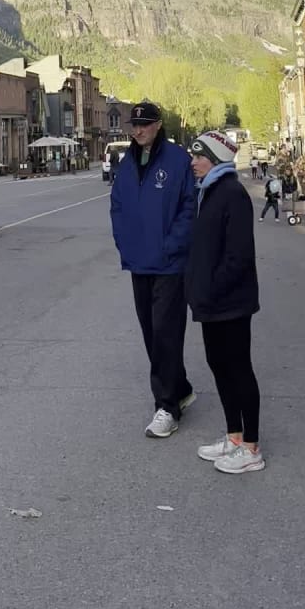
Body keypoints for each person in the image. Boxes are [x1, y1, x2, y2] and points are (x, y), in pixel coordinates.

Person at [110, 101, 196, 439]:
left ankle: (167, 407)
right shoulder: (127, 162)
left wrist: (172, 245)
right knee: (150, 331)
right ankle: (182, 388)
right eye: (135, 124)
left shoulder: (177, 161)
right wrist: (123, 242)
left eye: (145, 124)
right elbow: (117, 205)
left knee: (166, 331)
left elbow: (189, 206)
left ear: (159, 125)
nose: (138, 130)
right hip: (138, 262)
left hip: (169, 263)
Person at [186, 131, 264, 474]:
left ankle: (251, 447)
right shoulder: (209, 191)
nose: (193, 162)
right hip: (211, 302)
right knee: (219, 366)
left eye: (199, 156)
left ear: (216, 158)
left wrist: (212, 290)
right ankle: (233, 436)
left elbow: (238, 256)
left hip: (230, 301)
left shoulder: (231, 193)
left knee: (239, 370)